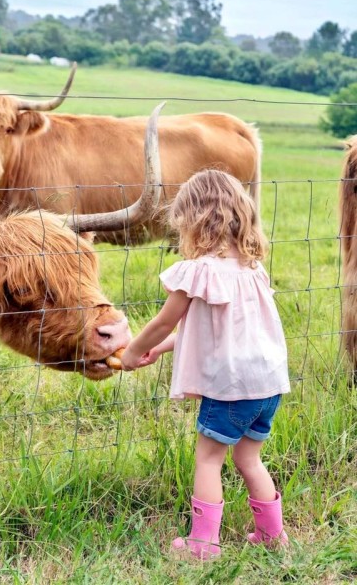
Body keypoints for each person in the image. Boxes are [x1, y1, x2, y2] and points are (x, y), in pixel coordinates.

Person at [120, 169, 290, 560]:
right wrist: (162, 349)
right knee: (249, 458)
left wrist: (133, 350)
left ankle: (202, 546)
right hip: (266, 387)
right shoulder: (251, 271)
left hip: (230, 389)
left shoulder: (199, 271)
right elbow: (218, 332)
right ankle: (272, 537)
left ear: (194, 221)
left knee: (208, 459)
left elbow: (165, 319)